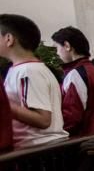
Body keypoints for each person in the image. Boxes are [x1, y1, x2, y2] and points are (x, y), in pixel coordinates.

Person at [0, 14, 68, 148]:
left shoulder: (29, 71)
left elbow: (43, 120)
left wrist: (5, 106)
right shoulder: (21, 69)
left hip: (39, 151)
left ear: (9, 39)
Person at [51, 26, 94, 137]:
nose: (57, 53)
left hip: (83, 140)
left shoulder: (75, 74)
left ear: (67, 46)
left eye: (57, 48)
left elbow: (71, 116)